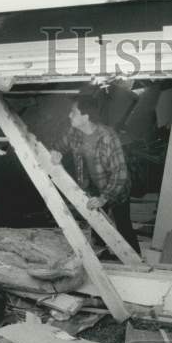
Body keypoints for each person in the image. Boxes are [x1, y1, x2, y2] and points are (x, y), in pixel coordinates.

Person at [51, 86, 140, 253]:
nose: (69, 115)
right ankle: (102, 255)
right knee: (97, 224)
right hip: (92, 185)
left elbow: (120, 174)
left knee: (123, 225)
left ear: (85, 117)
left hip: (116, 189)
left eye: (74, 112)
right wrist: (56, 151)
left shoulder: (107, 137)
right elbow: (60, 144)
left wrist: (104, 198)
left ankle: (135, 260)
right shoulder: (74, 132)